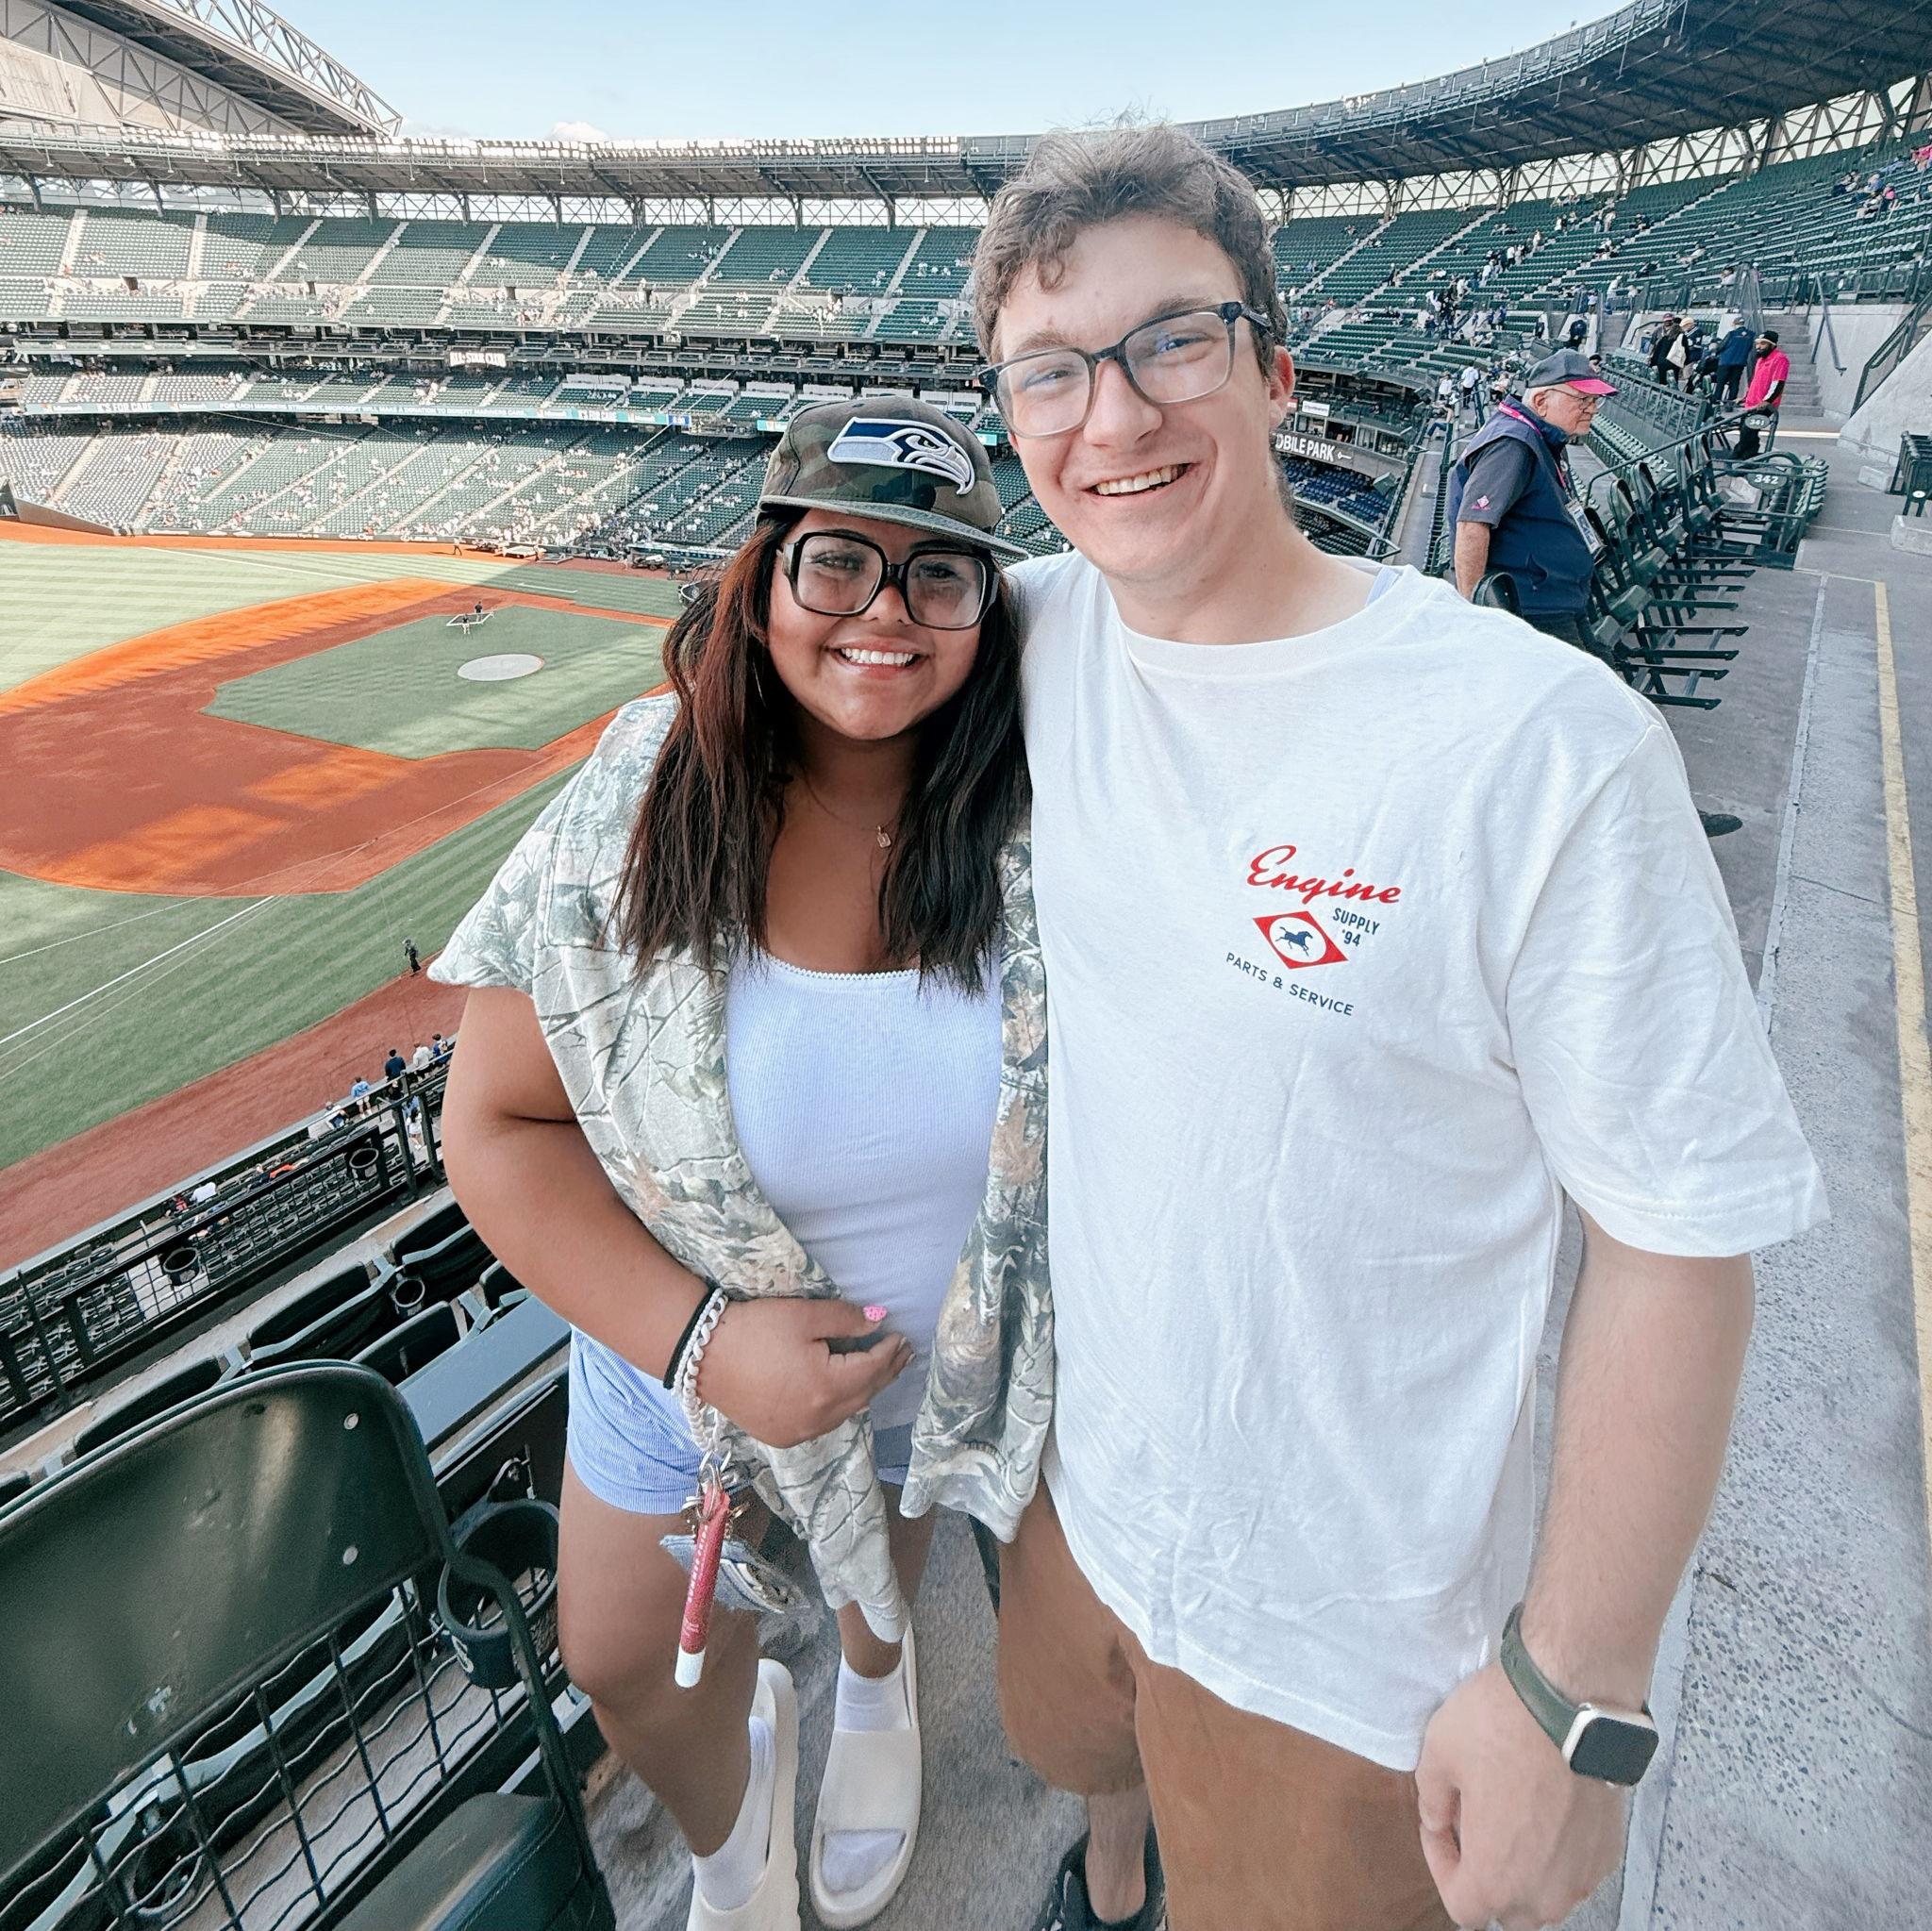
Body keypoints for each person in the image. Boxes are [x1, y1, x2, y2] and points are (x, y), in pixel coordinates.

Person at [970, 124, 1822, 1931]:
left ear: (1274, 370)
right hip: (1088, 1502)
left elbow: (1677, 1244)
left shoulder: (1541, 748)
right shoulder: (1023, 639)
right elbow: (744, 700)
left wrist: (1570, 1695)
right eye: (1050, 373)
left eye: (1167, 345)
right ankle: (1108, 1884)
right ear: (1012, 417)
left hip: (1349, 1642)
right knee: (1078, 1766)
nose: (1110, 419)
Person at [432, 397, 1048, 1931]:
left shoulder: (1047, 799)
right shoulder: (640, 797)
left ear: (992, 603)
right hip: (670, 1359)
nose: (885, 617)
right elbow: (493, 1124)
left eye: (939, 575)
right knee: (622, 1657)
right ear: (764, 576)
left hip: (924, 1360)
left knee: (881, 1569)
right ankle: (732, 1841)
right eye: (838, 561)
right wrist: (706, 1344)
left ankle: (878, 1686)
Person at [1448, 349, 1613, 654]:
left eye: (1594, 401)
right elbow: (1471, 525)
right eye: (1582, 400)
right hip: (1534, 607)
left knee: (1600, 680)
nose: (1592, 409)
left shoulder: (1541, 435)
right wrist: (1475, 614)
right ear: (1541, 402)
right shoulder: (1512, 444)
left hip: (1556, 598)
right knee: (1583, 696)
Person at [1735, 329, 1790, 458]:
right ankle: (1749, 456)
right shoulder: (1761, 360)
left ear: (1772, 345)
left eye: (1763, 344)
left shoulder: (1780, 359)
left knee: (1748, 431)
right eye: (1758, 344)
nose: (1759, 347)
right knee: (1745, 430)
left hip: (1763, 404)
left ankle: (1740, 456)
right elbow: (1756, 381)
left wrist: (1767, 401)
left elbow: (1777, 383)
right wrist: (1745, 397)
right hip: (1752, 402)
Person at [1712, 319, 1755, 405]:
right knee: (1734, 382)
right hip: (1740, 362)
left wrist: (1715, 352)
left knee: (1721, 382)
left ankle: (1716, 401)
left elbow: (1722, 346)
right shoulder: (1751, 335)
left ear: (1735, 324)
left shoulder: (1732, 334)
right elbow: (1750, 347)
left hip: (1726, 361)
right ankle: (1731, 402)